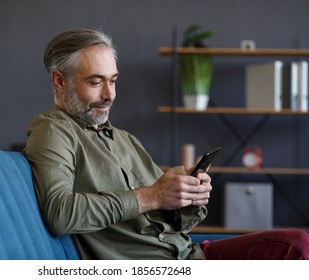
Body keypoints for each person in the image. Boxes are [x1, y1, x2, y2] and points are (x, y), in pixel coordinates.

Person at [24, 28, 309, 260]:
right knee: (295, 248)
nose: (110, 94)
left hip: (190, 254)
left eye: (113, 80)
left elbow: (170, 221)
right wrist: (153, 195)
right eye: (96, 82)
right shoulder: (53, 131)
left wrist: (185, 197)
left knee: (296, 243)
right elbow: (60, 213)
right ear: (60, 81)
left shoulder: (125, 139)